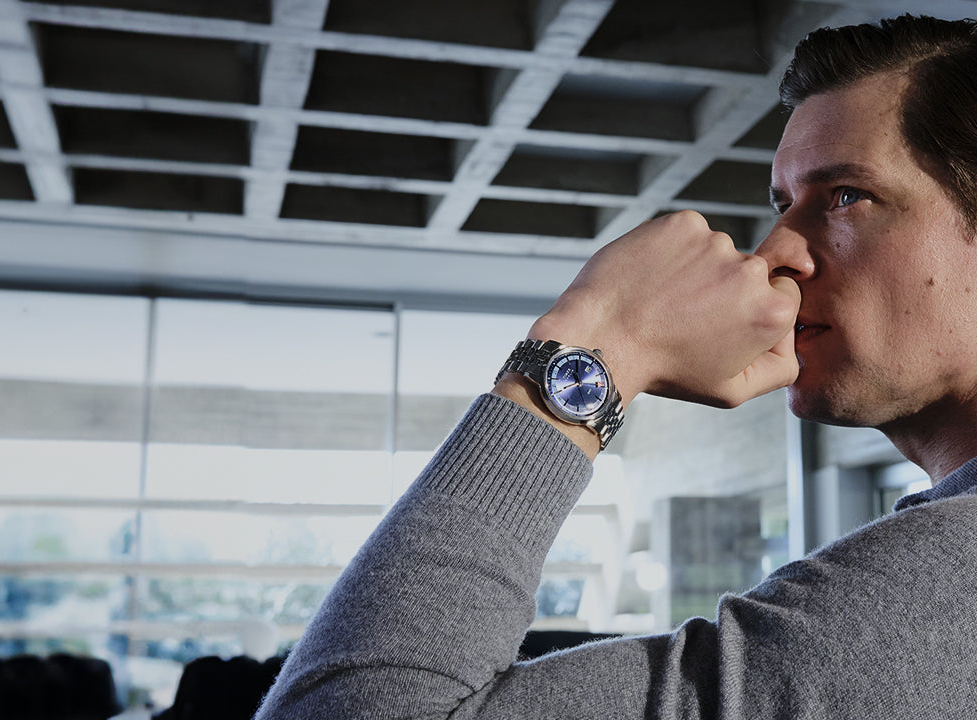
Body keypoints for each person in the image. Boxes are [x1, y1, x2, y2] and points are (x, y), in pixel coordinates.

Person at [254, 14, 977, 720]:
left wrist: (600, 343)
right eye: (783, 204)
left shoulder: (946, 579)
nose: (774, 251)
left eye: (846, 196)